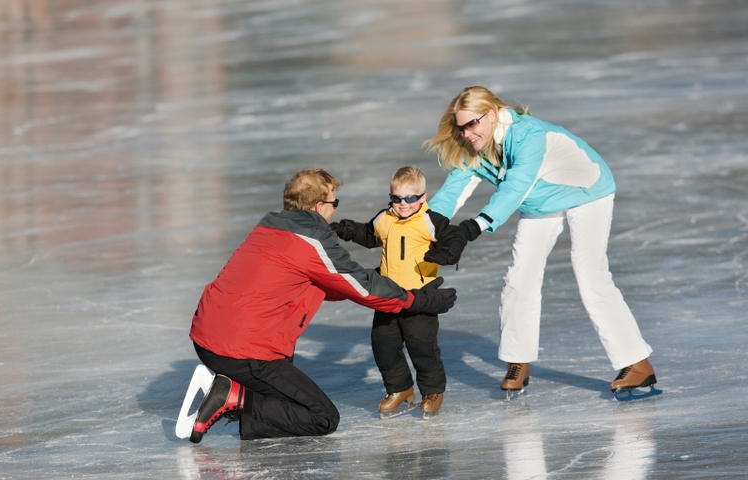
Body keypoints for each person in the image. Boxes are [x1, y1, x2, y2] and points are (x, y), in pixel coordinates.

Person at [187, 168, 457, 443]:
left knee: (283, 388)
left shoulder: (269, 226)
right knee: (322, 417)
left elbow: (330, 283)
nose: (334, 210)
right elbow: (361, 288)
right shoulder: (312, 239)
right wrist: (416, 299)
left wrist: (382, 282)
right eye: (334, 203)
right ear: (319, 206)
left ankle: (236, 392)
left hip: (207, 338)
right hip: (243, 351)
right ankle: (235, 396)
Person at [423, 86, 657, 398]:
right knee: (520, 278)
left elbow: (515, 187)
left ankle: (637, 364)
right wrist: (423, 228)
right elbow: (453, 190)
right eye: (461, 126)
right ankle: (518, 362)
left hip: (587, 192)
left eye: (472, 124)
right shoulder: (474, 144)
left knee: (590, 274)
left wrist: (470, 229)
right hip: (540, 202)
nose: (466, 133)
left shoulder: (529, 136)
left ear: (491, 115)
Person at [330, 166, 466, 418]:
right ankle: (400, 388)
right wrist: (341, 229)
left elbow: (454, 237)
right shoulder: (385, 218)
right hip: (387, 295)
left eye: (410, 198)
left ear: (423, 198)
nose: (403, 204)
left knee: (422, 346)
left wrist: (446, 253)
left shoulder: (429, 221)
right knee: (383, 345)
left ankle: (432, 391)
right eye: (396, 198)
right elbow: (368, 234)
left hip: (420, 298)